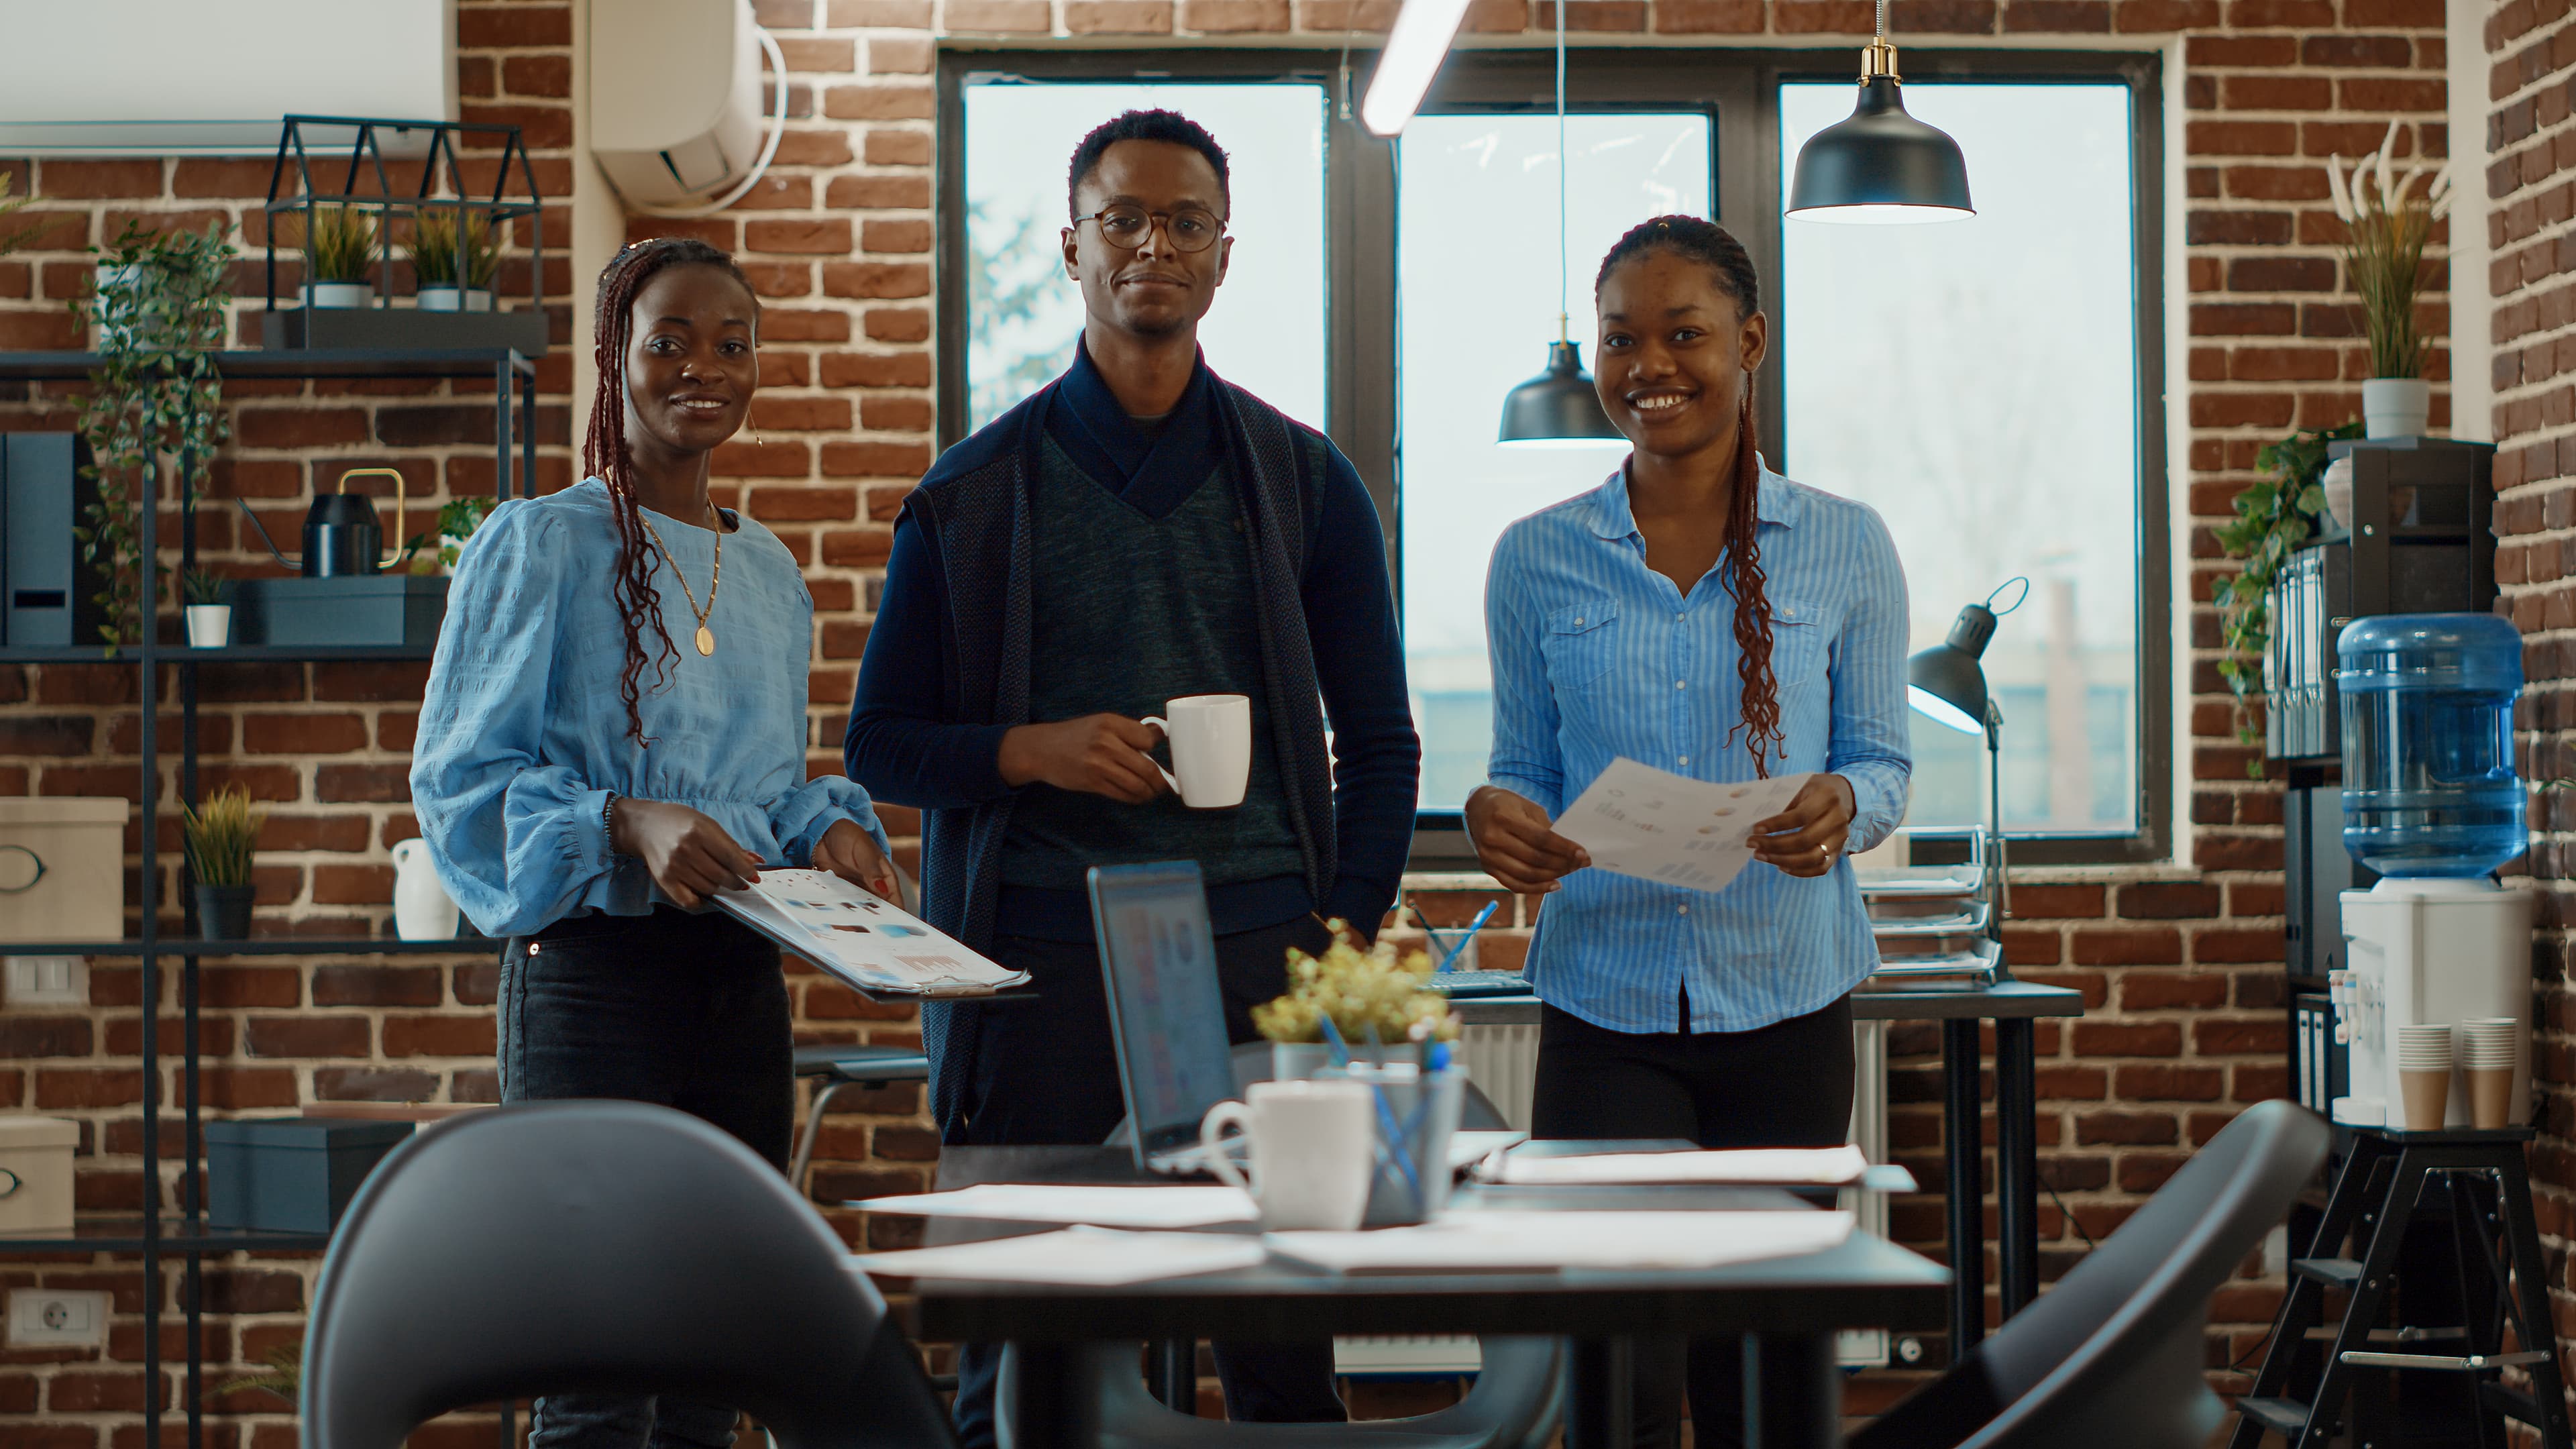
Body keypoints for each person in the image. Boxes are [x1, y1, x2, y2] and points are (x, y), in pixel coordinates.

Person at [845, 109, 1418, 1446]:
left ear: (1224, 256)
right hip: (1038, 947)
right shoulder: (973, 495)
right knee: (1020, 1335)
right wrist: (1024, 750)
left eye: (1186, 222)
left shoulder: (1303, 481)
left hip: (1250, 942)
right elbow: (879, 742)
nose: (1153, 244)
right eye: (1123, 219)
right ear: (1072, 245)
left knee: (1280, 1341)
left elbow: (1382, 742)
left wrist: (1334, 938)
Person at [413, 237, 897, 1449]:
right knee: (600, 1357)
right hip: (591, 986)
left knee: (714, 1350)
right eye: (667, 341)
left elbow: (765, 791)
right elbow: (461, 783)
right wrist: (625, 822)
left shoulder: (773, 572)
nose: (703, 367)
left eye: (732, 344)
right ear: (612, 360)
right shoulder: (540, 544)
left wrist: (829, 828)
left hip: (740, 987)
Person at [1466, 215, 1911, 1449]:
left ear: (1750, 342)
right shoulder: (1536, 559)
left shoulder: (1845, 545)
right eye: (1621, 339)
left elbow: (1880, 763)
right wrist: (1495, 816)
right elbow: (1520, 770)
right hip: (1602, 1007)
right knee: (1617, 1369)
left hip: (1787, 999)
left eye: (1684, 334)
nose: (1647, 365)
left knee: (1766, 1375)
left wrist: (1843, 809)